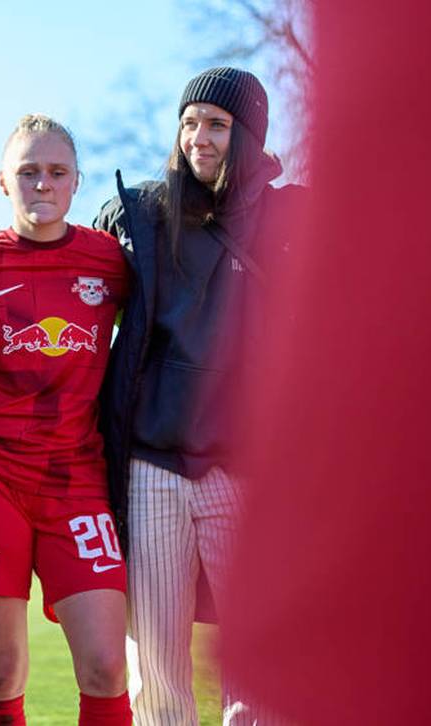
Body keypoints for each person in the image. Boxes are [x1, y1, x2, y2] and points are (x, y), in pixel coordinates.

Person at [92, 67, 304, 725]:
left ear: (248, 134)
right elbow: (61, 262)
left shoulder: (292, 214)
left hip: (247, 467)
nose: (199, 137)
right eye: (189, 122)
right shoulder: (145, 214)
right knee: (155, 663)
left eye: (216, 124)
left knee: (260, 658)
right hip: (152, 463)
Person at [0, 115, 133, 726]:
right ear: (4, 182)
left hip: (78, 480)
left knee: (106, 665)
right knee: (1, 675)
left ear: (77, 182)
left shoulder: (110, 262)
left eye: (56, 172)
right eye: (28, 172)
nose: (42, 185)